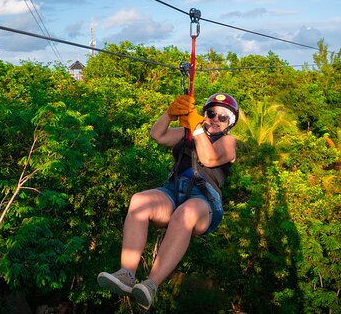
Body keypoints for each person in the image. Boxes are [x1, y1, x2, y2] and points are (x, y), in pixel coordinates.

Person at [97, 92, 239, 309]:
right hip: (174, 190)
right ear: (205, 114)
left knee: (187, 214)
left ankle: (151, 284)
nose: (215, 120)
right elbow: (158, 134)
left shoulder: (228, 141)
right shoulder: (188, 133)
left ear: (229, 123)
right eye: (211, 113)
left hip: (205, 199)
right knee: (139, 201)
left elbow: (209, 159)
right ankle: (127, 274)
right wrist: (170, 114)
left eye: (223, 117)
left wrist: (197, 127)